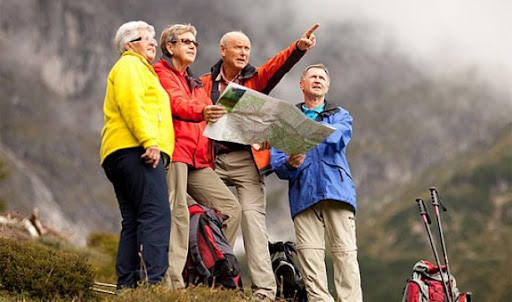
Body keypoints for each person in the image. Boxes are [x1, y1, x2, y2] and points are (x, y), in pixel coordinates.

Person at [201, 24, 319, 302]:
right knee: (215, 216)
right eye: (238, 47)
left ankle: (264, 291)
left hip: (246, 160)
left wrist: (297, 48)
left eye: (247, 48)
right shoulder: (204, 83)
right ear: (223, 50)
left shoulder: (255, 78)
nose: (243, 53)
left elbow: (277, 66)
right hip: (211, 158)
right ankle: (216, 281)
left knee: (253, 221)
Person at [153, 23, 241, 290]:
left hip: (199, 158)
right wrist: (204, 112)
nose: (192, 45)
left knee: (231, 209)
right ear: (170, 47)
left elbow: (212, 119)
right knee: (177, 213)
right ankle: (174, 284)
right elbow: (176, 104)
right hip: (176, 152)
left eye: (195, 42)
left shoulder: (194, 81)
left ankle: (211, 270)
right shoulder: (161, 72)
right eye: (186, 41)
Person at [271, 64, 363, 302]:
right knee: (310, 258)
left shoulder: (340, 114)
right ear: (301, 84)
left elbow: (337, 138)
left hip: (337, 193)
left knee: (345, 255)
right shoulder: (285, 121)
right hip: (304, 196)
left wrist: (301, 132)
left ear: (328, 86)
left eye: (322, 77)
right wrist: (292, 163)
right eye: (313, 76)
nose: (318, 80)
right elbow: (279, 165)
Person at [99, 20, 174, 290]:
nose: (153, 42)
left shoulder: (136, 68)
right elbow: (132, 104)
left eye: (153, 38)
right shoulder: (131, 65)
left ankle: (127, 286)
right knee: (156, 215)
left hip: (119, 152)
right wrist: (150, 141)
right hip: (137, 150)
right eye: (146, 38)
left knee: (132, 220)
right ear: (130, 44)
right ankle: (151, 285)